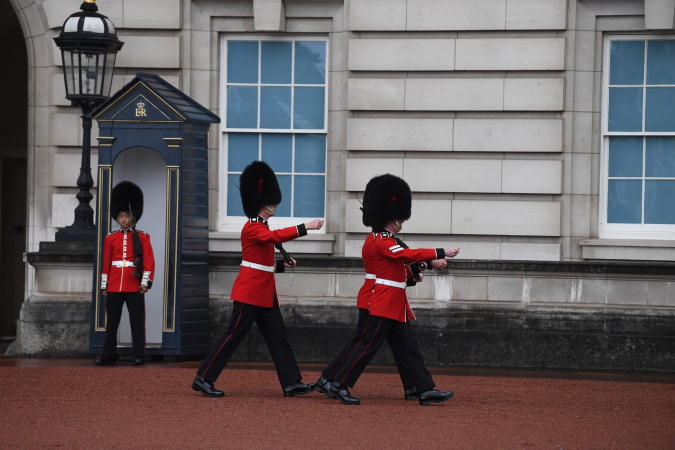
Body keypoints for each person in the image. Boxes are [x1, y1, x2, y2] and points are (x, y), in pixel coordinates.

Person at [192, 161, 324, 398]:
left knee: (277, 337)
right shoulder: (252, 227)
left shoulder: (263, 227)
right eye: (271, 201)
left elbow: (264, 263)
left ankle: (291, 382)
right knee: (233, 335)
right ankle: (203, 378)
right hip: (250, 293)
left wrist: (284, 264)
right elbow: (273, 237)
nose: (275, 205)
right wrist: (306, 227)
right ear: (260, 203)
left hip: (264, 293)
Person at [328, 174, 460, 406]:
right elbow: (408, 255)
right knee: (367, 347)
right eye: (400, 217)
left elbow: (402, 265)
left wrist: (416, 271)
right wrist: (440, 252)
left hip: (394, 304)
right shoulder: (382, 240)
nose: (402, 221)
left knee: (409, 348)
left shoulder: (387, 239)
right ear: (393, 217)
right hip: (383, 303)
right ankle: (338, 384)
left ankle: (424, 389)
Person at [95, 181, 155, 366]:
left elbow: (149, 262)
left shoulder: (142, 237)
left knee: (137, 322)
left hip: (133, 284)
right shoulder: (110, 238)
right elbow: (106, 263)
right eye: (120, 216)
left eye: (126, 216)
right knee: (111, 323)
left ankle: (139, 355)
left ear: (133, 217)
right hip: (114, 284)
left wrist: (145, 282)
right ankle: (108, 354)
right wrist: (104, 286)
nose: (122, 219)